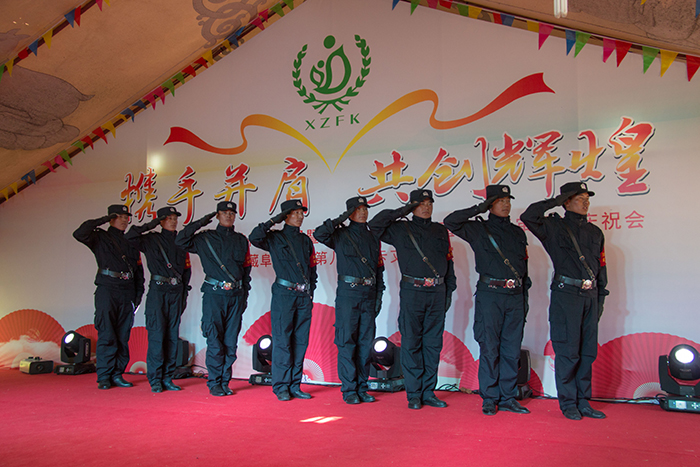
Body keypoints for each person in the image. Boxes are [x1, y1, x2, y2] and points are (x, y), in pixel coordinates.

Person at [520, 181, 609, 420]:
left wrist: (600, 297)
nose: (585, 203)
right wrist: (557, 201)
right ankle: (568, 402)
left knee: (587, 351)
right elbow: (528, 216)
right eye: (579, 199)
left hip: (590, 296)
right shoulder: (554, 227)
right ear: (567, 202)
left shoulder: (595, 232)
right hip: (566, 295)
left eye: (587, 199)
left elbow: (601, 267)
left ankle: (583, 401)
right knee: (568, 351)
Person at [444, 185, 531, 416]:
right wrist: (479, 208)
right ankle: (490, 397)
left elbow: (524, 269)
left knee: (511, 348)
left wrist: (524, 297)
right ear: (490, 204)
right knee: (490, 347)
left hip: (515, 296)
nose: (506, 204)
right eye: (500, 201)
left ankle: (508, 397)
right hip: (490, 295)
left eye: (508, 200)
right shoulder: (478, 229)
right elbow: (451, 221)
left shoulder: (517, 232)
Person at [369, 189, 456, 410]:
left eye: (429, 203)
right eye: (421, 204)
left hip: (437, 292)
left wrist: (449, 291)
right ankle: (414, 394)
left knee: (433, 345)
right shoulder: (401, 228)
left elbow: (449, 263)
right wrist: (402, 211)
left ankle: (428, 392)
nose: (426, 207)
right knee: (411, 343)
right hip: (412, 292)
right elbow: (375, 225)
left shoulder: (440, 230)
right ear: (412, 206)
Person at [313, 196, 385, 405]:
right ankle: (349, 389)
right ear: (350, 212)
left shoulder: (373, 237)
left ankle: (362, 387)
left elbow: (379, 270)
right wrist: (341, 219)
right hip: (348, 294)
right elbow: (319, 233)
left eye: (365, 209)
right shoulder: (340, 234)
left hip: (368, 293)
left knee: (365, 343)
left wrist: (379, 295)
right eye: (358, 209)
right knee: (346, 341)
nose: (363, 212)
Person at [175, 201, 251, 397]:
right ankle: (215, 382)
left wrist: (244, 297)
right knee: (215, 341)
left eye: (232, 213)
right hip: (214, 295)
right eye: (224, 213)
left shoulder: (241, 240)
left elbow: (246, 271)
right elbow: (181, 240)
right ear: (217, 215)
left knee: (230, 343)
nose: (228, 216)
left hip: (236, 296)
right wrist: (202, 221)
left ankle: (225, 382)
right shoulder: (205, 238)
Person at [249, 199, 317, 402]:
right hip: (284, 294)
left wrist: (311, 293)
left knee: (300, 342)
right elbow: (254, 237)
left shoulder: (305, 240)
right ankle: (281, 386)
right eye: (295, 213)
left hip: (303, 296)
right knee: (282, 342)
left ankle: (295, 385)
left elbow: (312, 269)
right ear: (285, 216)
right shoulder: (275, 238)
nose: (300, 216)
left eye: (301, 213)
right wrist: (274, 220)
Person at [73, 204, 145, 390]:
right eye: (120, 216)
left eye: (126, 217)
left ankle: (117, 374)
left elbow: (139, 272)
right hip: (107, 289)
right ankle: (104, 376)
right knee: (107, 334)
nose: (124, 220)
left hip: (127, 291)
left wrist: (138, 296)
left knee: (122, 336)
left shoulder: (131, 241)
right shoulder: (100, 237)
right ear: (112, 218)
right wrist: (104, 220)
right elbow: (79, 233)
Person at [125, 206, 191, 393]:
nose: (173, 221)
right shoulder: (151, 239)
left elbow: (186, 271)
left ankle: (167, 377)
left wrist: (184, 294)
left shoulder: (180, 241)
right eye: (169, 218)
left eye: (174, 218)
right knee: (157, 336)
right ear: (161, 221)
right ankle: (155, 379)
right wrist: (152, 224)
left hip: (176, 292)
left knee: (171, 336)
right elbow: (130, 236)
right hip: (158, 291)